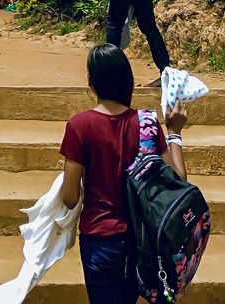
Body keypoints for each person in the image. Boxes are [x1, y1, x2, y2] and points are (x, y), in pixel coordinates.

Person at [61, 44, 187, 304]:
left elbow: (70, 197)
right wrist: (174, 132)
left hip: (100, 238)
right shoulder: (147, 124)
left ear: (91, 83)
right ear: (127, 80)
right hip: (139, 242)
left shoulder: (80, 125)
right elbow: (178, 181)